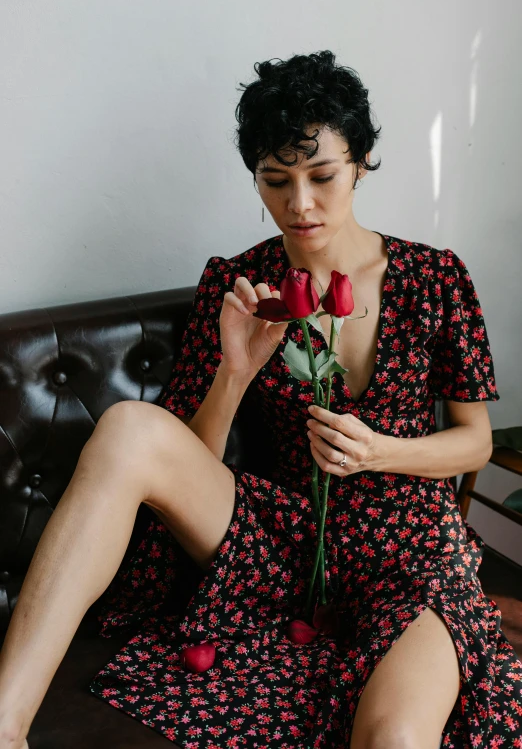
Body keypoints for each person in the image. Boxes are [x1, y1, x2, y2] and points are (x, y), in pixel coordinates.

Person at [0, 50, 520, 749]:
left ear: (362, 161)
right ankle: (5, 723)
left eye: (321, 175)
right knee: (128, 429)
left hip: (409, 547)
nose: (298, 204)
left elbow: (475, 441)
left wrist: (380, 451)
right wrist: (235, 371)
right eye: (275, 181)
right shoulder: (240, 282)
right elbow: (189, 458)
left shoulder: (435, 277)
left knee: (395, 737)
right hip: (279, 540)